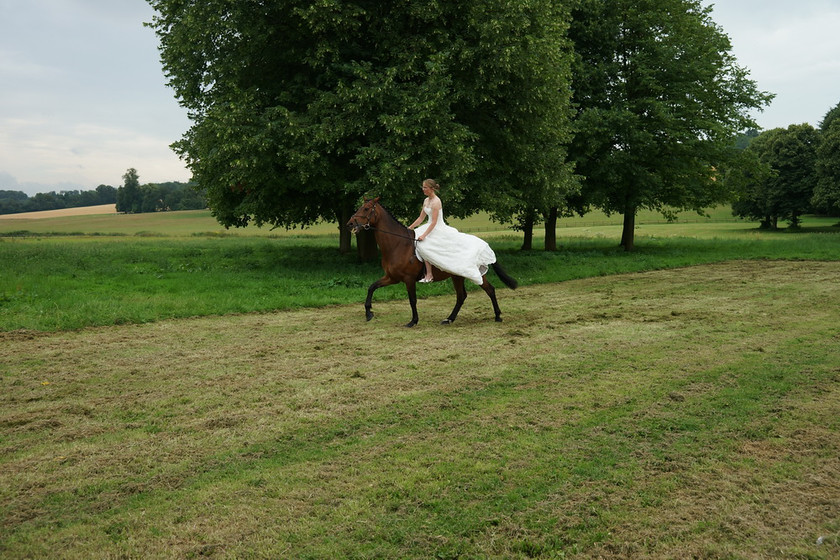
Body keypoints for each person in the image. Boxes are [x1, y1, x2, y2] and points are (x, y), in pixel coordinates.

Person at [408, 178, 497, 285]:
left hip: (437, 228)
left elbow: (434, 222)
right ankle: (426, 272)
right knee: (417, 243)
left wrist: (424, 235)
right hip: (429, 226)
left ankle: (430, 274)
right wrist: (410, 228)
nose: (423, 189)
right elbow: (421, 218)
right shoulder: (426, 201)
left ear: (431, 189)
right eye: (423, 187)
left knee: (424, 244)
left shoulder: (436, 201)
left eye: (425, 187)